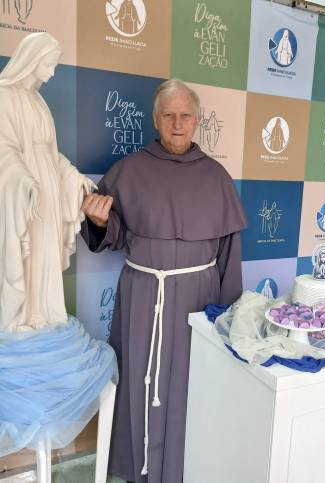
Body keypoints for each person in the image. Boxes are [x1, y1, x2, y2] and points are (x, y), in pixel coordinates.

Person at [81, 79, 247, 483]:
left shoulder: (217, 177)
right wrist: (99, 221)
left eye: (185, 115)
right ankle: (138, 469)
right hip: (143, 296)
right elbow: (112, 233)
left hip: (198, 301)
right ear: (155, 121)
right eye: (169, 115)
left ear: (197, 120)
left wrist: (227, 316)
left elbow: (229, 253)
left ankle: (183, 469)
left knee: (191, 385)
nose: (177, 124)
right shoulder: (129, 170)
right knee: (140, 378)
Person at [0, 32, 95, 332]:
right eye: (49, 64)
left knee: (45, 251)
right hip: (25, 189)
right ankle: (22, 316)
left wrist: (73, 177)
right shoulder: (5, 96)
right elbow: (3, 148)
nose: (53, 73)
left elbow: (51, 153)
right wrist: (22, 179)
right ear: (32, 60)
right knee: (30, 250)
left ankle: (44, 312)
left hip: (48, 188)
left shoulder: (40, 102)